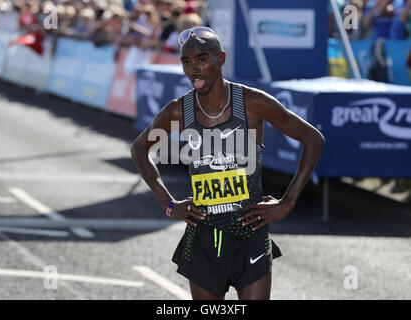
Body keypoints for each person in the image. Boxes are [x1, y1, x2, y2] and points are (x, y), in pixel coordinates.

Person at [130, 27, 325, 300]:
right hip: (203, 238)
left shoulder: (252, 103)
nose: (193, 69)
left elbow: (313, 139)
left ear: (220, 58)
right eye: (186, 61)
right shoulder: (178, 111)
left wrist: (287, 202)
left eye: (202, 59)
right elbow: (140, 149)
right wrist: (169, 203)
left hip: (251, 234)